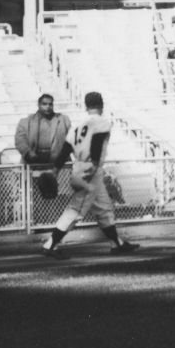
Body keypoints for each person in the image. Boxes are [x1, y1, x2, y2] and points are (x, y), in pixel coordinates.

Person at [40, 92, 140, 256]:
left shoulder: (78, 127)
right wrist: (93, 165)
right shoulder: (101, 122)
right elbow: (97, 142)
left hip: (80, 167)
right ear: (101, 105)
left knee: (104, 209)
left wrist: (55, 170)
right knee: (76, 210)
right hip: (90, 170)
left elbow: (65, 150)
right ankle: (50, 245)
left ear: (86, 107)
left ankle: (116, 243)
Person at [14, 92, 71, 199]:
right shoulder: (25, 122)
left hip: (58, 167)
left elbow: (71, 140)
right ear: (39, 105)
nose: (48, 107)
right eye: (44, 104)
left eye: (50, 104)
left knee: (61, 199)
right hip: (33, 166)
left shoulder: (63, 120)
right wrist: (28, 153)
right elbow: (20, 141)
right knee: (35, 199)